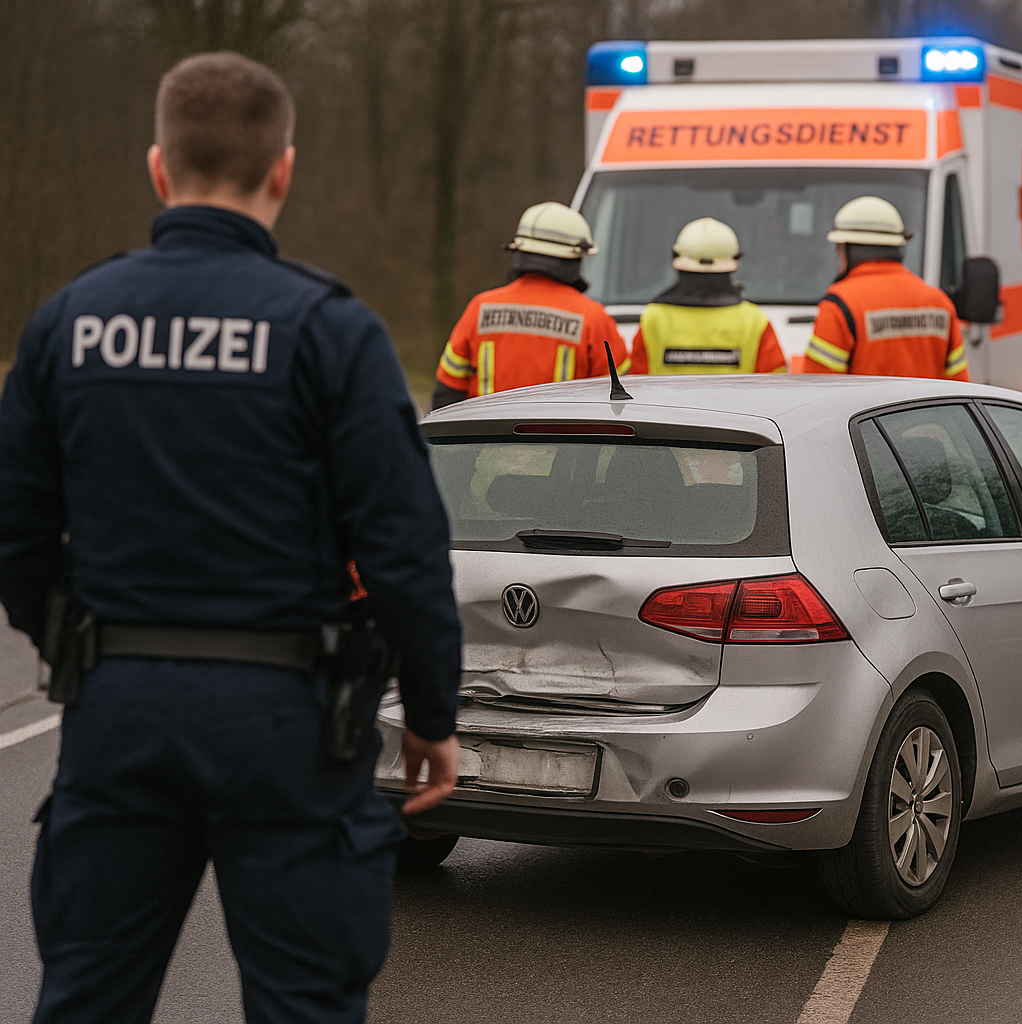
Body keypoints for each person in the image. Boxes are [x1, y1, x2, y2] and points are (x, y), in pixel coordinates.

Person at [0, 52, 462, 1023]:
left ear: (158, 169)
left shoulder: (67, 323)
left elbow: (17, 529)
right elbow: (406, 548)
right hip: (290, 720)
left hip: (116, 710)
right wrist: (430, 711)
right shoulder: (332, 332)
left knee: (85, 998)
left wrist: (76, 649)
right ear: (283, 172)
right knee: (304, 1003)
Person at [432, 202, 627, 409]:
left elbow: (446, 395)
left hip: (486, 440)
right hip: (564, 441)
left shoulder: (480, 308)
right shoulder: (593, 318)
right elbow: (623, 399)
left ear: (518, 252)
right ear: (575, 258)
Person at [799, 195, 968, 381]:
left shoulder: (839, 305)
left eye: (839, 249)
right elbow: (959, 387)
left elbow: (818, 390)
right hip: (927, 412)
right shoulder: (939, 303)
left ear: (850, 249)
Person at [628, 217, 787, 375]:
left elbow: (635, 384)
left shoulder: (653, 319)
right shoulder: (754, 321)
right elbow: (775, 388)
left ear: (678, 261)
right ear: (733, 264)